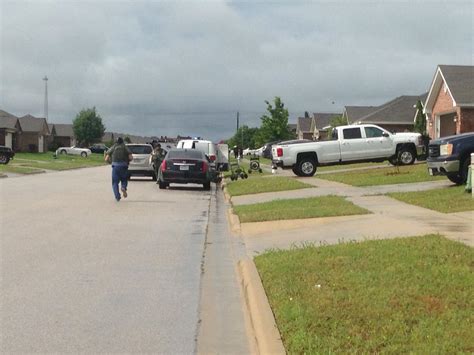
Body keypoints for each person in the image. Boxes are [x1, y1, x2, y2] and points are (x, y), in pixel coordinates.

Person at [104, 137, 133, 201]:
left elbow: (106, 158)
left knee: (115, 182)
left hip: (115, 167)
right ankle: (123, 187)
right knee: (124, 179)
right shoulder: (125, 147)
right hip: (124, 166)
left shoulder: (113, 147)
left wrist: (110, 162)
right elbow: (131, 157)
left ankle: (117, 196)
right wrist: (128, 161)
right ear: (122, 141)